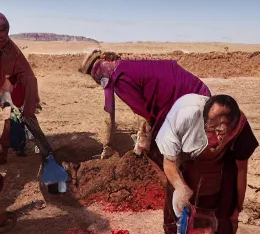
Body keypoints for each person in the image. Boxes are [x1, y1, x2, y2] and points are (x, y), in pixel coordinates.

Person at [156, 91, 257, 234]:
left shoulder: (241, 128)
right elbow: (169, 162)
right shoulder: (183, 115)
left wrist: (238, 205)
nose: (216, 138)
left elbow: (241, 168)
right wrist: (180, 187)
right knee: (176, 202)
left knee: (227, 211)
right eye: (211, 130)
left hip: (222, 164)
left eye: (222, 132)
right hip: (187, 159)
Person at [80, 49, 208, 160]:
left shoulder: (118, 78)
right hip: (201, 94)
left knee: (164, 152)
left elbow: (136, 114)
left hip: (187, 104)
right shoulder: (126, 66)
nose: (98, 75)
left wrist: (109, 145)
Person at [0, 13, 42, 229]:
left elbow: (26, 75)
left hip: (10, 90)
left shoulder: (10, 49)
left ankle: (7, 147)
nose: (0, 36)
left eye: (4, 32)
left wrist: (28, 106)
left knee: (16, 111)